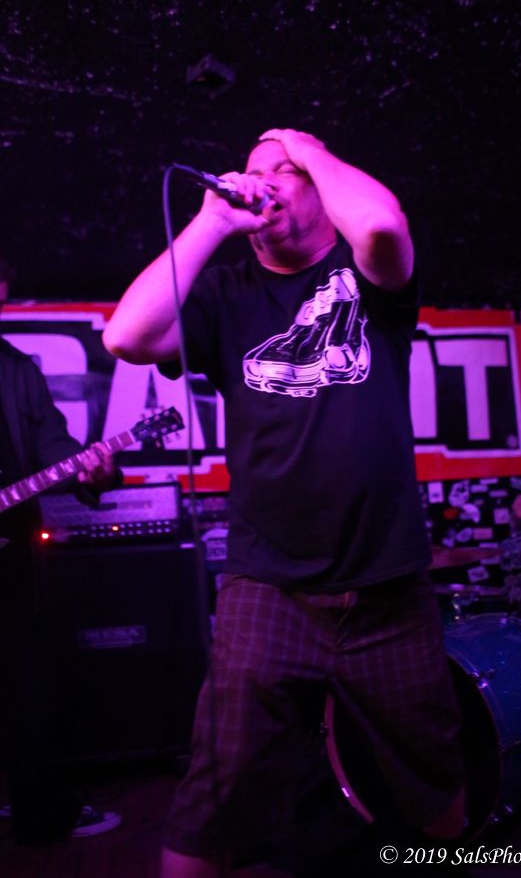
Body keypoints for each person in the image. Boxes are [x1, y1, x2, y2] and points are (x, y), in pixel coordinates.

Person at [103, 128, 465, 877]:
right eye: (251, 169)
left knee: (433, 781)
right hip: (268, 585)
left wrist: (307, 147)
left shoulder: (367, 274)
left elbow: (381, 223)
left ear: (320, 186)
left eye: (281, 171)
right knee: (216, 794)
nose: (260, 179)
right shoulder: (226, 294)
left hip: (387, 585)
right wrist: (213, 219)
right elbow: (127, 337)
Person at [0, 262, 123, 844]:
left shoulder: (16, 370)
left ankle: (40, 813)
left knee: (26, 687)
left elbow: (55, 449)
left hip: (10, 563)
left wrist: (92, 472)